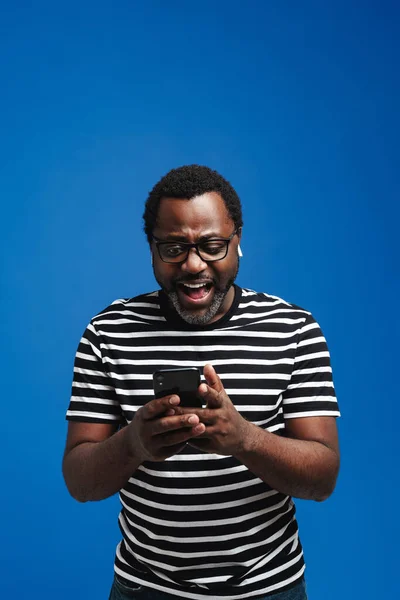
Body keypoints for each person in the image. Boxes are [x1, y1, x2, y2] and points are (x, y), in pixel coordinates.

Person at [63, 165, 340, 600]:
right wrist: (134, 443)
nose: (193, 265)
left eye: (212, 246)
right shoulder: (108, 332)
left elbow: (323, 478)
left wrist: (244, 438)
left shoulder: (293, 329)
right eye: (174, 248)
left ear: (237, 240)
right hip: (144, 588)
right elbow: (80, 482)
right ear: (151, 248)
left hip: (269, 589)